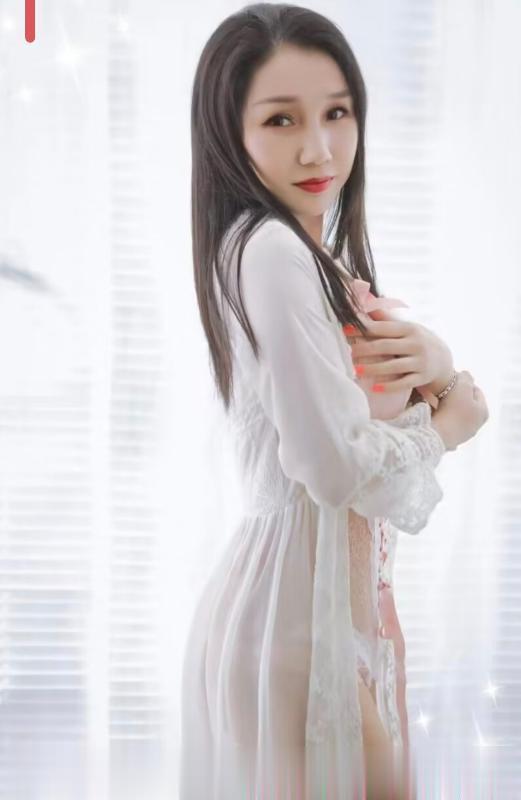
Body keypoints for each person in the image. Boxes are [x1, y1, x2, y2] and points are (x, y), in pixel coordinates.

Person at [179, 4, 489, 799]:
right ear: (229, 133)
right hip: (296, 624)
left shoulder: (302, 253)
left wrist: (436, 365)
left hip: (319, 619)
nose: (318, 149)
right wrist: (447, 424)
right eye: (280, 119)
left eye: (336, 113)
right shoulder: (271, 252)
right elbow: (333, 468)